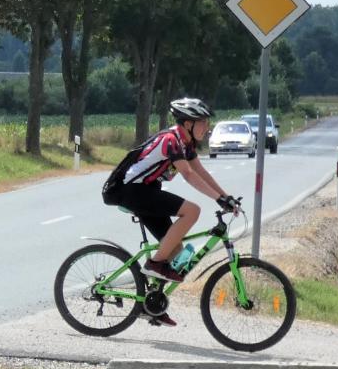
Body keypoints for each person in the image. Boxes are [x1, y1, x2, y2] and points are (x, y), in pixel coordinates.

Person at [102, 97, 240, 327]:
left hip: (147, 191)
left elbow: (201, 172)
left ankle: (152, 305)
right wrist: (217, 199)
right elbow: (189, 175)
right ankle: (154, 264)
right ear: (188, 123)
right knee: (192, 211)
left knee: (175, 253)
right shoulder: (171, 140)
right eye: (203, 122)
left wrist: (226, 197)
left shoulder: (186, 144)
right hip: (133, 191)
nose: (207, 127)